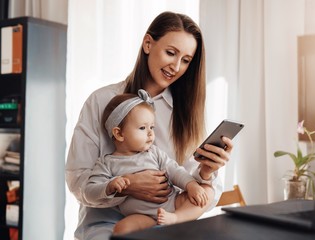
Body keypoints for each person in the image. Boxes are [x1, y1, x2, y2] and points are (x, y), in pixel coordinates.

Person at [66, 11, 234, 240]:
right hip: (104, 226)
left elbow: (202, 192)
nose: (176, 66)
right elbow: (78, 181)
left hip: (164, 222)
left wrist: (207, 172)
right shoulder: (101, 100)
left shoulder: (185, 113)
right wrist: (128, 186)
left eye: (185, 60)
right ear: (147, 44)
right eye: (170, 53)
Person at [84, 89, 214, 235]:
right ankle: (165, 225)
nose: (151, 133)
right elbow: (89, 192)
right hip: (143, 217)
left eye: (151, 127)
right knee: (121, 229)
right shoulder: (107, 163)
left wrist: (191, 185)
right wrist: (109, 186)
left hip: (173, 204)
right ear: (119, 133)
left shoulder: (154, 153)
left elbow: (175, 171)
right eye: (142, 128)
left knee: (208, 191)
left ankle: (177, 219)